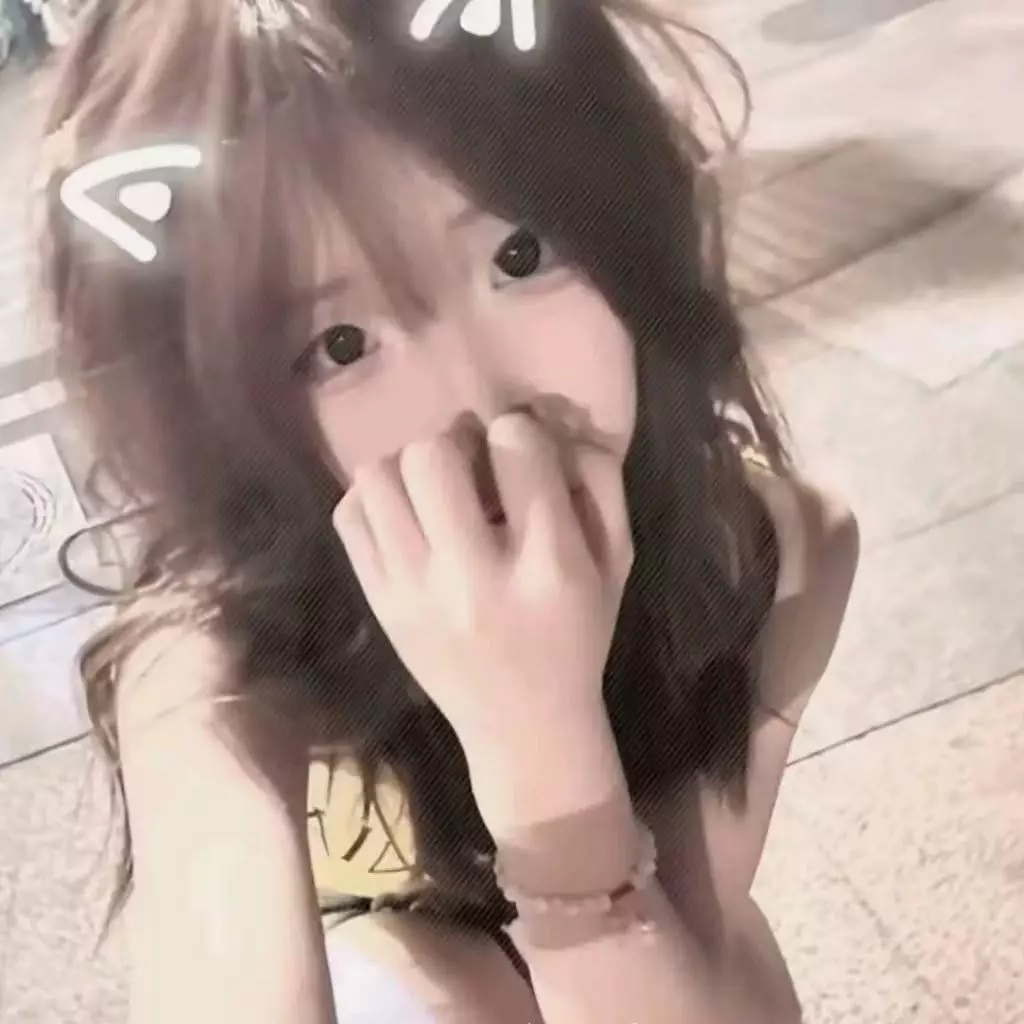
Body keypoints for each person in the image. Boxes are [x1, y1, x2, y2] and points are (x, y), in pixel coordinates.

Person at [37, 0, 859, 1021]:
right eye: (340, 345)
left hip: (627, 926)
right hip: (389, 954)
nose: (480, 398)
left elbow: (683, 939)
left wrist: (539, 736)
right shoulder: (216, 647)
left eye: (521, 254)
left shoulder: (766, 551)